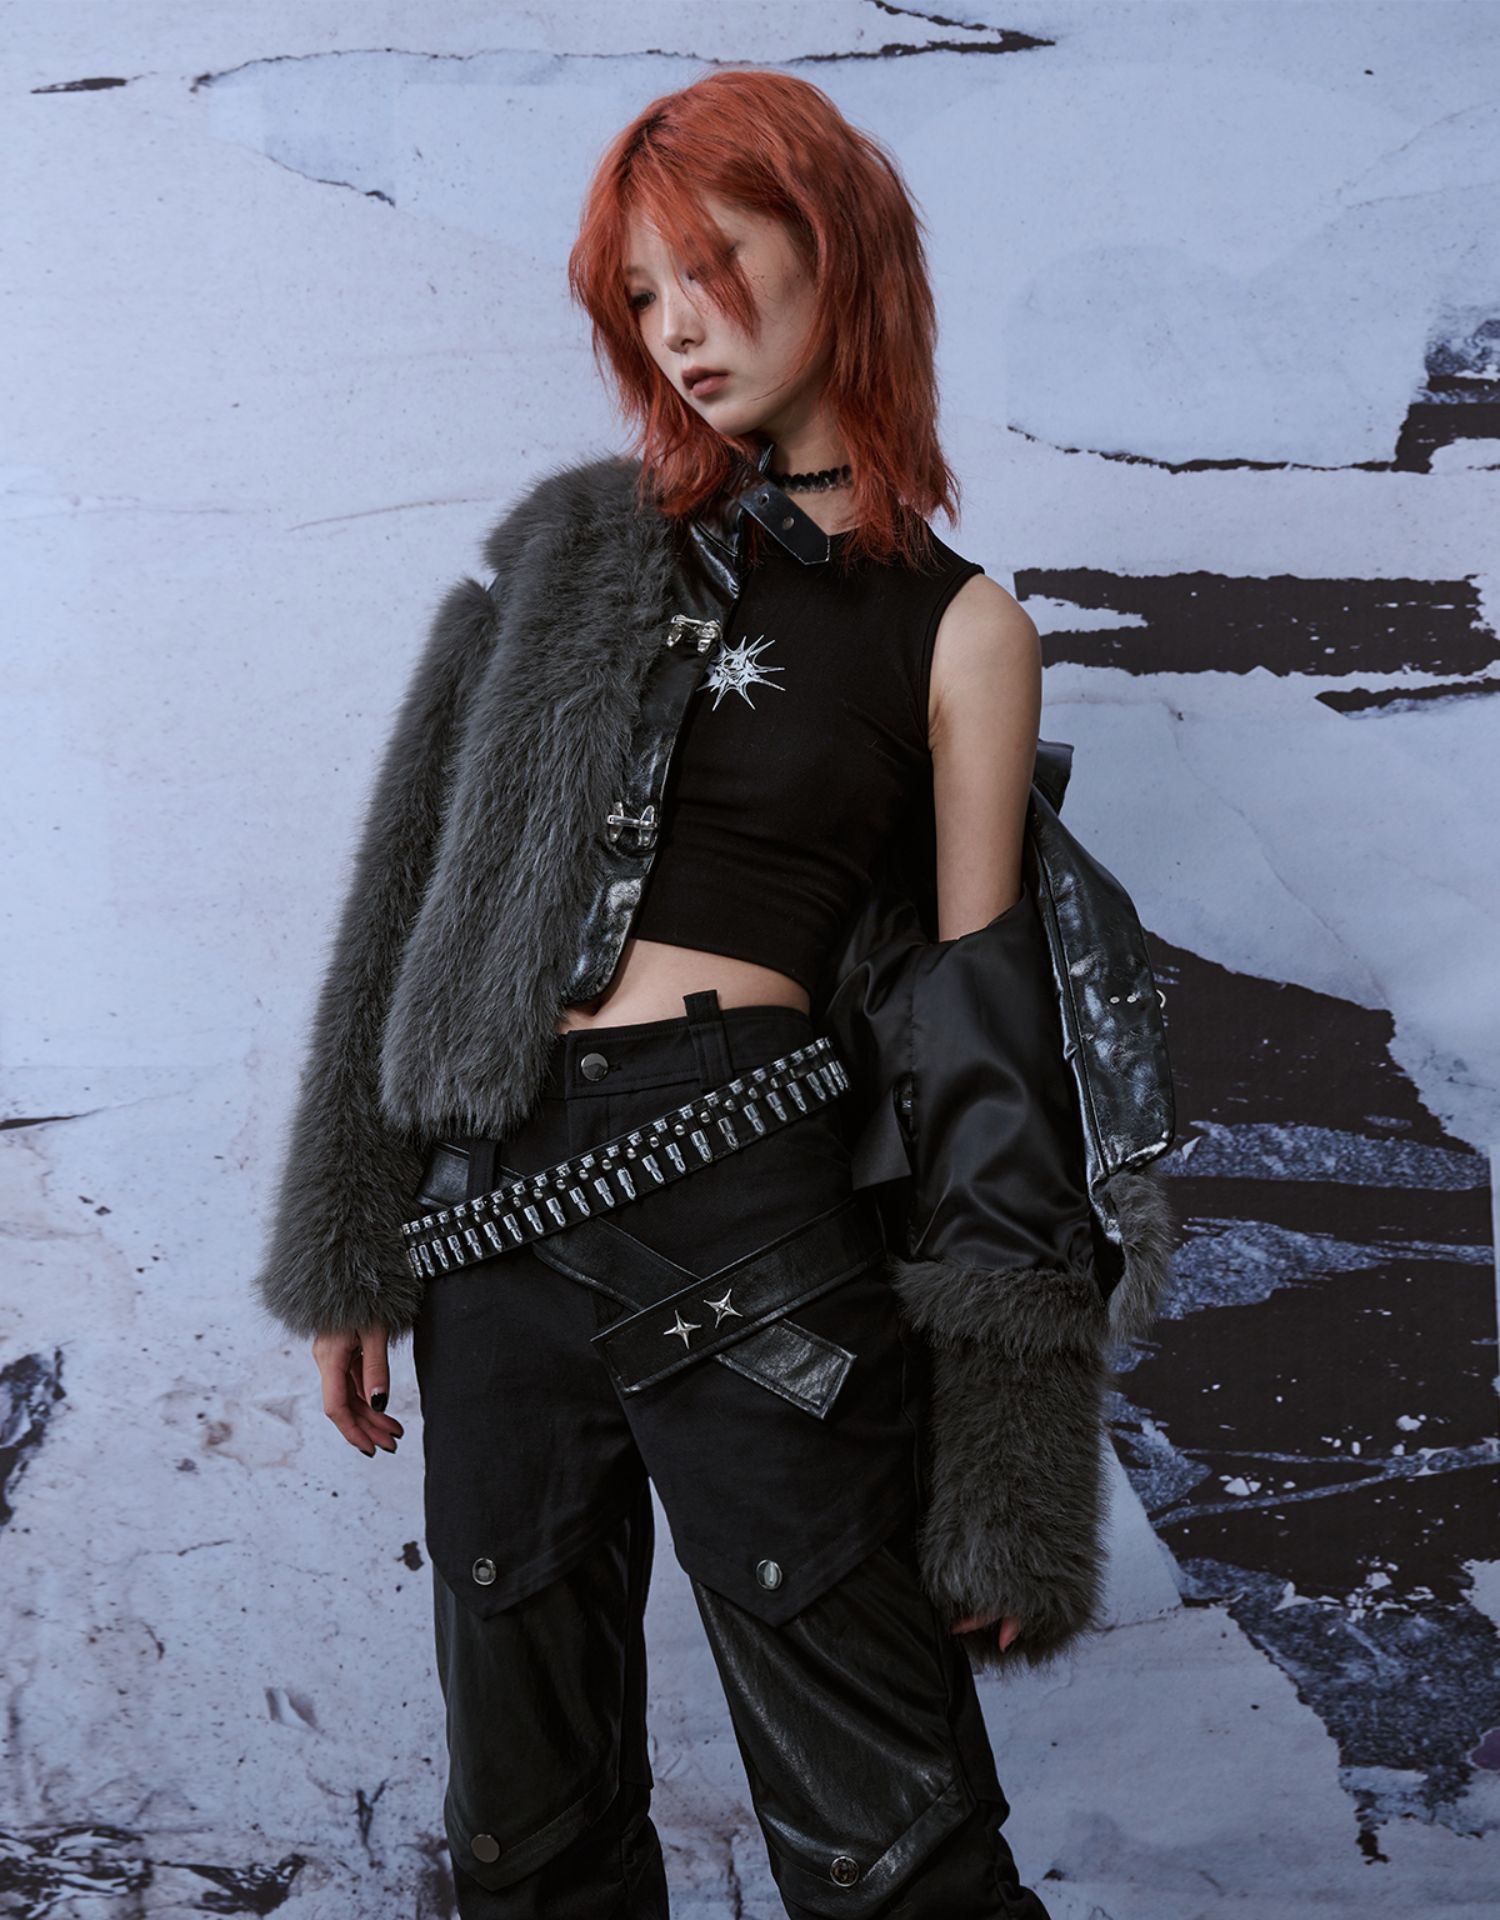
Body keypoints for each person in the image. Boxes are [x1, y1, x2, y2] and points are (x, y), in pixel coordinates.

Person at [253, 66, 1177, 1920]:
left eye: (716, 266)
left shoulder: (961, 626)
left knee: (892, 1850)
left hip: (749, 1212)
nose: (680, 329)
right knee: (524, 1839)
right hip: (493, 1224)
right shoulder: (571, 550)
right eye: (641, 296)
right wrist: (352, 1241)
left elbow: (985, 1044)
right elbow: (409, 902)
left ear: (837, 249)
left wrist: (1006, 1473)